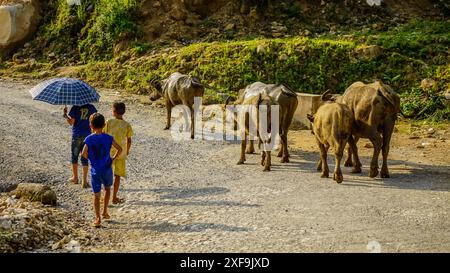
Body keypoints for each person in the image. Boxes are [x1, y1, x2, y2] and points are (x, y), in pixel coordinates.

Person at [82, 113, 122, 228]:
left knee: (96, 195)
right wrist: (113, 159)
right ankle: (105, 211)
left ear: (91, 126)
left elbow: (84, 153)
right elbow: (119, 149)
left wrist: (92, 159)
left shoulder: (89, 139)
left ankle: (97, 218)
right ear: (104, 125)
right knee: (108, 188)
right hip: (107, 169)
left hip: (95, 170)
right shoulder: (109, 138)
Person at [104, 102, 133, 204]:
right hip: (120, 154)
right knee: (117, 176)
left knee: (107, 174)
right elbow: (129, 140)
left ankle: (105, 196)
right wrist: (127, 150)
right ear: (123, 112)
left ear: (114, 112)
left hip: (108, 152)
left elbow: (104, 134)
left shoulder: (109, 122)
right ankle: (114, 197)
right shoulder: (127, 125)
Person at [63, 104, 97, 188]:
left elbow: (71, 122)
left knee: (74, 157)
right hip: (88, 136)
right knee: (85, 157)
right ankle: (84, 181)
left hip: (77, 135)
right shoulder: (91, 107)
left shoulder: (75, 108)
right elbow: (95, 119)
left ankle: (75, 178)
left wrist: (65, 115)